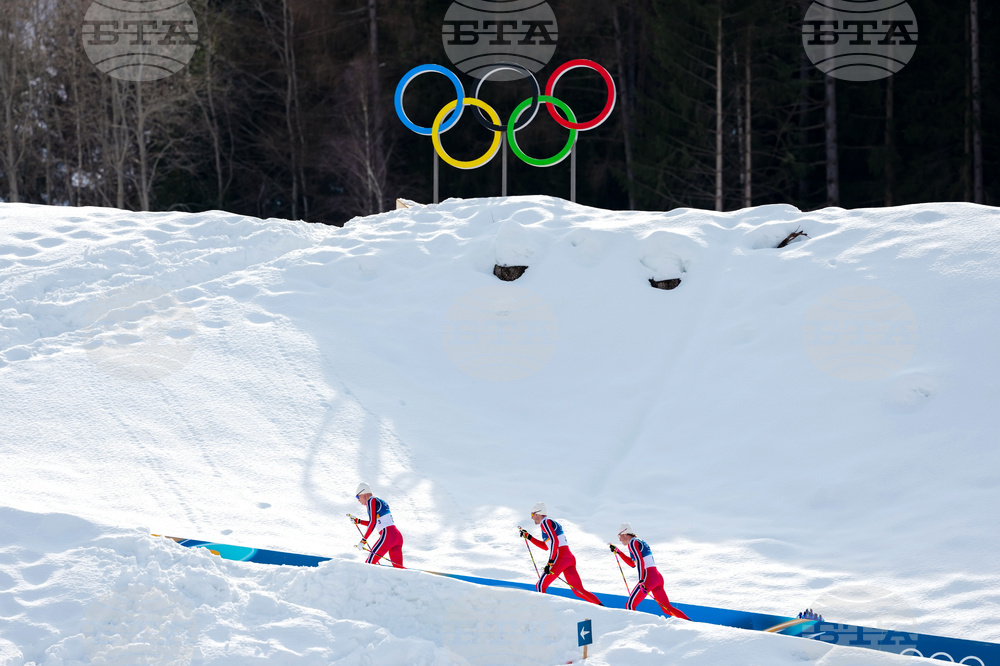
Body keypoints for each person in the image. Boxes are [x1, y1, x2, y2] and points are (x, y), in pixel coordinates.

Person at [519, 502, 603, 606]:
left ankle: (542, 612)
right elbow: (546, 546)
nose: (531, 518)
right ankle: (602, 608)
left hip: (561, 558)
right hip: (569, 558)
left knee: (540, 585)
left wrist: (550, 562)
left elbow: (555, 542)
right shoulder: (548, 524)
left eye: (532, 515)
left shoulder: (545, 522)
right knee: (578, 591)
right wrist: (529, 536)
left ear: (538, 514)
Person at [611, 523, 689, 620]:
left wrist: (641, 580)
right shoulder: (638, 542)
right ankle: (690, 623)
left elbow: (640, 561)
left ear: (625, 533)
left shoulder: (632, 543)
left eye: (619, 536)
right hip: (657, 577)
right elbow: (632, 563)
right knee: (667, 608)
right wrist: (618, 551)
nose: (619, 539)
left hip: (649, 577)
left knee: (630, 605)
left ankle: (633, 629)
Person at [351, 482, 404, 568]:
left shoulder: (371, 501)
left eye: (358, 496)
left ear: (363, 494)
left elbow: (373, 523)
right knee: (399, 570)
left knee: (368, 564)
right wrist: (359, 521)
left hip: (388, 535)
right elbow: (376, 522)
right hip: (397, 536)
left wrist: (363, 540)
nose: (358, 500)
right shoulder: (378, 501)